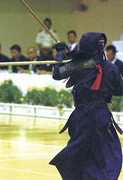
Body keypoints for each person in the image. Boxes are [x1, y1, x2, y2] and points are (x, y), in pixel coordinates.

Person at [50, 33, 123, 180]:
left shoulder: (77, 65)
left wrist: (59, 54)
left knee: (80, 152)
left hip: (82, 116)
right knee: (105, 152)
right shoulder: (111, 67)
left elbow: (57, 73)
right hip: (102, 115)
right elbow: (120, 90)